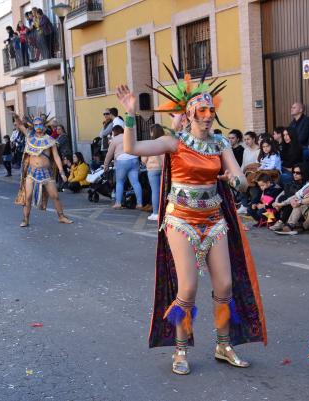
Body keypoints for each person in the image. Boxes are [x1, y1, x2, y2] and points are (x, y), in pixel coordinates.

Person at [116, 64, 266, 374]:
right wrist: (129, 114)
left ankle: (224, 345)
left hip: (213, 218)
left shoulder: (221, 144)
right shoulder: (175, 143)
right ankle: (180, 351)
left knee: (224, 284)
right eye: (203, 110)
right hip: (180, 220)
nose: (209, 115)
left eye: (211, 110)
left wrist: (233, 179)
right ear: (190, 113)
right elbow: (131, 147)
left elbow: (242, 181)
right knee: (187, 288)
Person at [13, 113, 73, 227]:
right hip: (31, 172)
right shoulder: (29, 136)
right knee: (28, 196)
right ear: (33, 126)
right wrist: (16, 117)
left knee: (55, 196)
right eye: (36, 125)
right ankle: (25, 220)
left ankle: (61, 216)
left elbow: (56, 157)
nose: (38, 126)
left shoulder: (50, 140)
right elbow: (20, 125)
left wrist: (61, 172)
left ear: (44, 126)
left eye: (40, 124)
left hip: (46, 173)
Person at [104, 124, 145, 210]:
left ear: (114, 132)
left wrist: (106, 166)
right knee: (135, 182)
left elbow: (109, 154)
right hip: (134, 159)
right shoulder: (130, 136)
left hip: (122, 161)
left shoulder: (115, 140)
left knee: (120, 182)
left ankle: (118, 203)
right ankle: (140, 203)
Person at [269, 164, 309, 231]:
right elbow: (282, 193)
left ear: (304, 173)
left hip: (301, 208)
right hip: (288, 205)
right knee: (281, 198)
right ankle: (279, 221)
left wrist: (281, 204)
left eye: (298, 173)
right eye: (293, 172)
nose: (295, 174)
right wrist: (276, 202)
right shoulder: (291, 183)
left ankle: (281, 222)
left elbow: (296, 197)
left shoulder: (308, 184)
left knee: (291, 201)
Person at [142, 124, 165, 220]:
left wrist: (146, 162)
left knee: (155, 191)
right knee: (163, 191)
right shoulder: (165, 142)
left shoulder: (150, 144)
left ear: (152, 132)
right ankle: (164, 212)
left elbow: (143, 159)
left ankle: (156, 213)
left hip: (152, 169)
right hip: (163, 169)